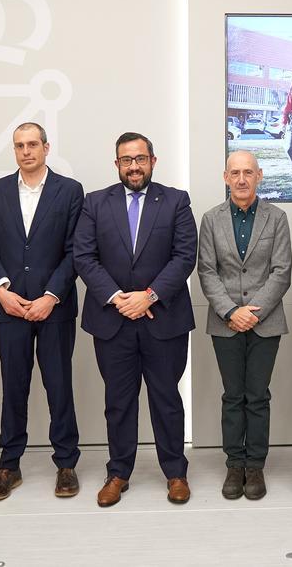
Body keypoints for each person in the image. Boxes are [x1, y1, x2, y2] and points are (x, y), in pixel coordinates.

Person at [74, 132, 198, 507]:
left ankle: (175, 472)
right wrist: (118, 299)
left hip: (164, 319)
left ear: (153, 161)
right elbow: (84, 256)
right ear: (116, 164)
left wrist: (149, 295)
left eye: (140, 159)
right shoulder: (95, 203)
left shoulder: (175, 200)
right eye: (126, 160)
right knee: (119, 401)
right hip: (112, 322)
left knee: (166, 399)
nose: (133, 166)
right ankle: (118, 473)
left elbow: (184, 255)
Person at [0, 122, 84, 502]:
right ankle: (9, 465)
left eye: (33, 144)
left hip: (53, 308)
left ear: (46, 147)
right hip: (10, 308)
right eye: (19, 145)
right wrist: (2, 291)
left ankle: (66, 464)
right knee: (13, 388)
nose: (26, 151)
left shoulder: (69, 191)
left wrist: (51, 295)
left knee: (59, 387)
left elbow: (76, 250)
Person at [196, 150, 292, 500]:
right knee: (233, 396)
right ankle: (234, 465)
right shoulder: (210, 219)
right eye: (234, 173)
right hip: (225, 324)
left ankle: (256, 466)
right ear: (225, 177)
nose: (241, 179)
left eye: (247, 172)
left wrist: (253, 312)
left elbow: (282, 272)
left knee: (258, 396)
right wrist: (229, 311)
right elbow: (206, 270)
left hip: (265, 323)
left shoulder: (277, 217)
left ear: (259, 176)